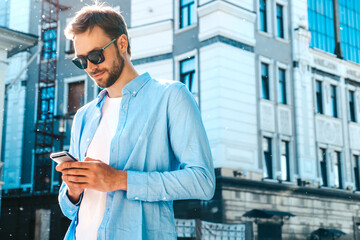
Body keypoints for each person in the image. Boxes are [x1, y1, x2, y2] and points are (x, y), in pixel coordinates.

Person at [55, 3, 215, 240]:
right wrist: (73, 190)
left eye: (96, 56)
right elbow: (69, 209)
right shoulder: (84, 116)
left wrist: (119, 179)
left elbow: (202, 182)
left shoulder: (170, 96)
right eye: (81, 61)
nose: (90, 67)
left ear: (122, 44)